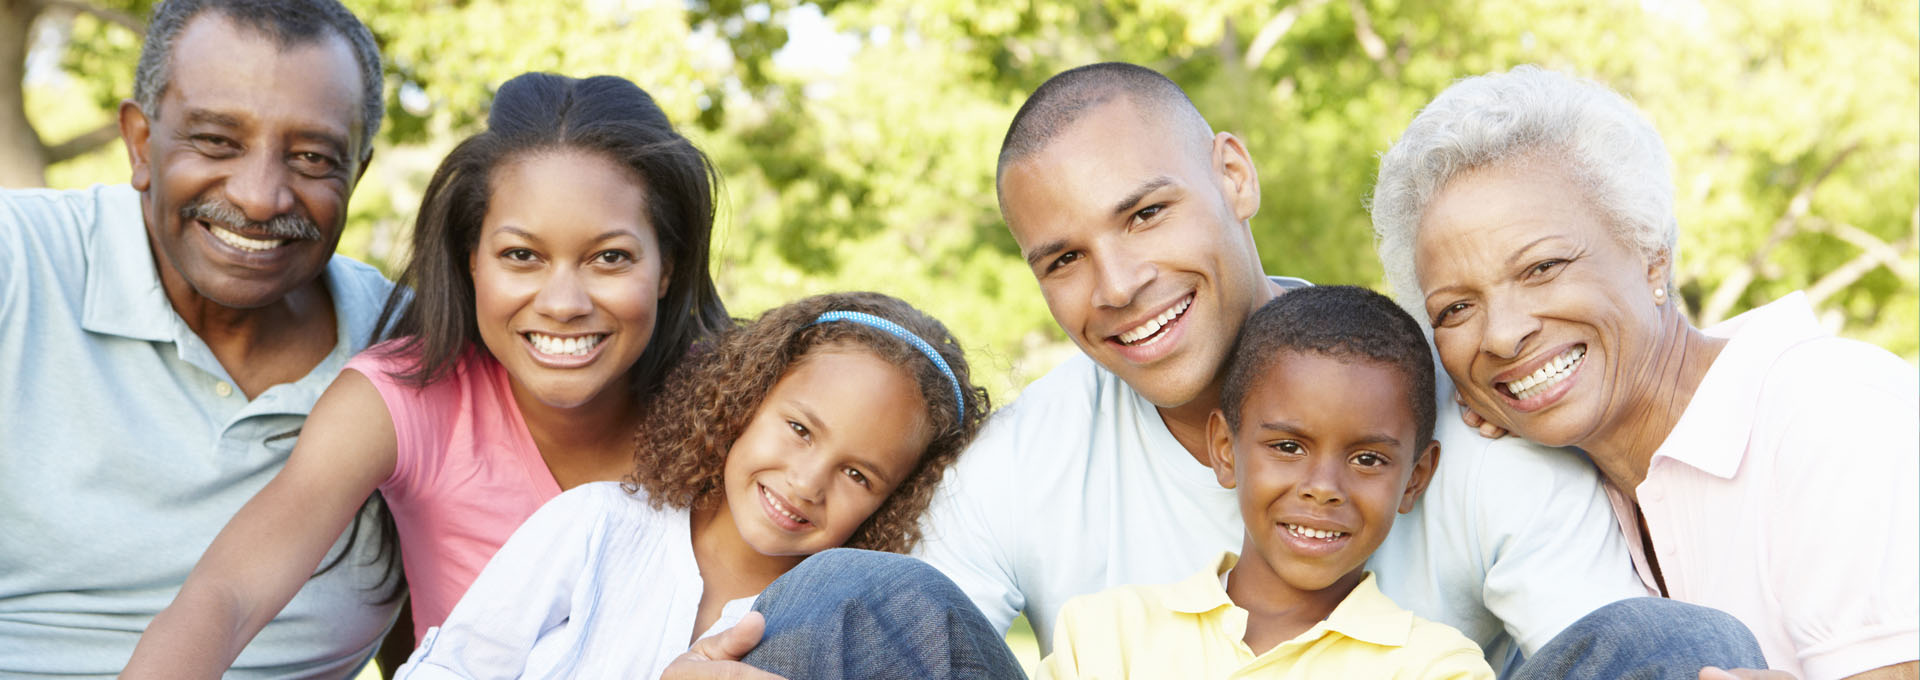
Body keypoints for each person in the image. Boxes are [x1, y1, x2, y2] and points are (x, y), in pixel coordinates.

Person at [123, 72, 731, 674]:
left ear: (667, 268)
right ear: (472, 260)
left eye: (610, 258)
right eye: (521, 255)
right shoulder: (402, 399)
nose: (563, 302)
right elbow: (225, 596)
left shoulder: (744, 407)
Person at [1371, 65, 1919, 680]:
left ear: (1651, 254)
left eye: (1543, 267)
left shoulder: (1832, 413)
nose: (1501, 335)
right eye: (1457, 309)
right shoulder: (1553, 488)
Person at [0, 0, 397, 675]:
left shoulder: (413, 350)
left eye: (310, 157)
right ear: (139, 143)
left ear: (355, 173)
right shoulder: (18, 264)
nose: (259, 195)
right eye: (216, 141)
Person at [395, 291, 1018, 678]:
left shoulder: (847, 630)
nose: (806, 482)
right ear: (746, 402)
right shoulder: (595, 526)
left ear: (892, 500)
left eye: (858, 475)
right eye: (800, 428)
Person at [1039, 286, 1494, 679]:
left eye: (1368, 458)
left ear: (1415, 479)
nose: (1322, 486)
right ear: (1224, 449)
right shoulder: (1106, 635)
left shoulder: (1435, 666)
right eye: (1288, 447)